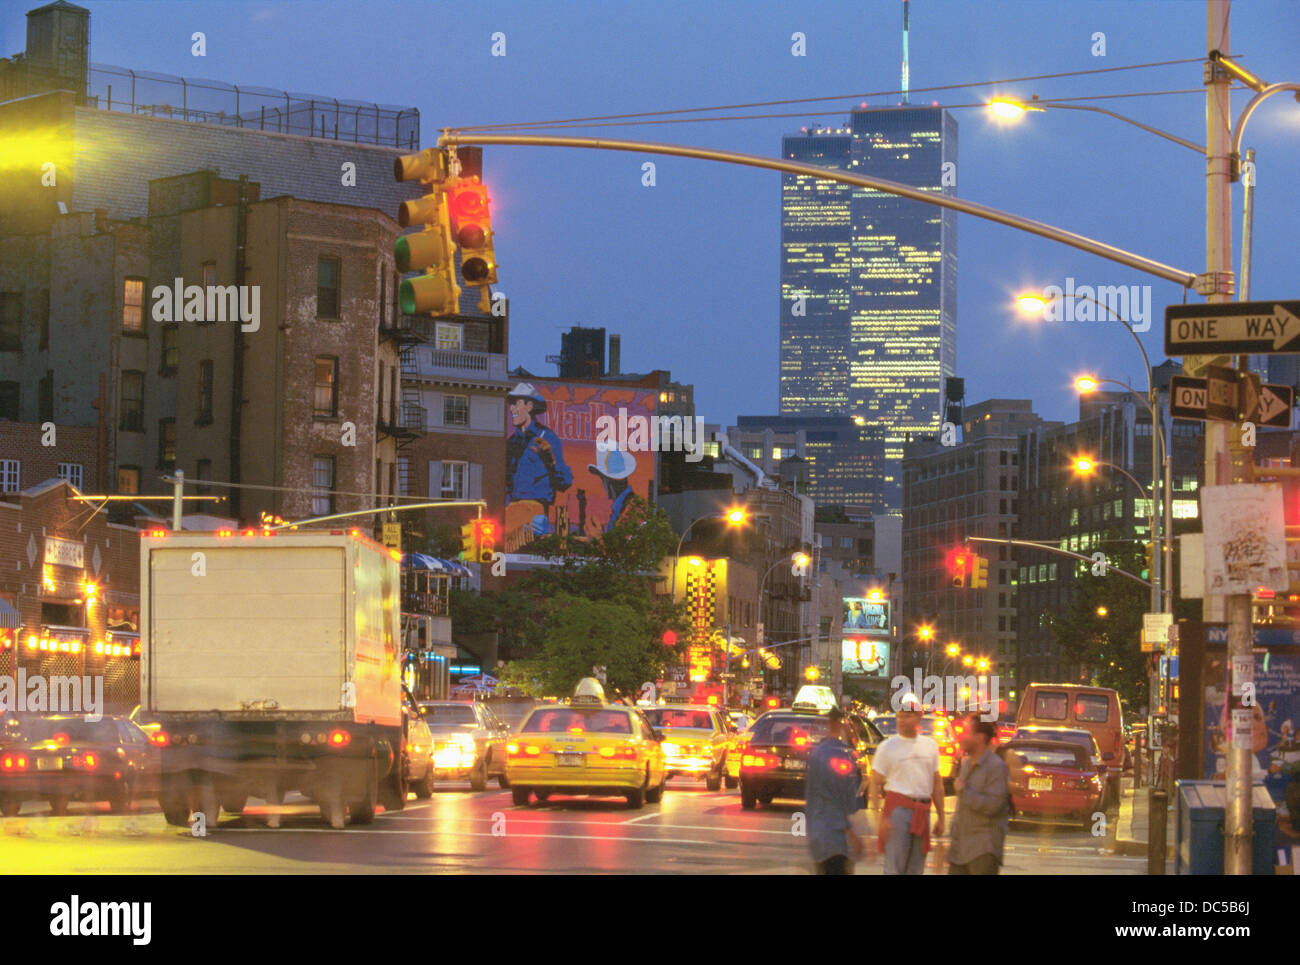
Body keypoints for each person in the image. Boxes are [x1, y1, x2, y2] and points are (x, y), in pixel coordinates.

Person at [869, 693, 944, 874]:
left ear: (919, 717)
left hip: (922, 811)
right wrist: (879, 818)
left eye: (908, 716)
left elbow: (937, 784)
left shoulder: (930, 745)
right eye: (899, 716)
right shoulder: (887, 747)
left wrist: (942, 817)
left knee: (916, 867)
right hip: (898, 812)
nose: (902, 720)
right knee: (895, 866)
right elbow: (874, 782)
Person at [947, 715, 1010, 875]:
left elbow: (993, 806)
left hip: (982, 850)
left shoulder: (996, 767)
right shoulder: (967, 763)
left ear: (980, 738)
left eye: (966, 732)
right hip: (960, 850)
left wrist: (964, 791)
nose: (961, 737)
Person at [805, 707, 865, 874]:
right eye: (847, 724)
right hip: (836, 838)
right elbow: (843, 799)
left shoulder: (817, 753)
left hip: (818, 833)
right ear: (839, 724)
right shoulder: (840, 754)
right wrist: (852, 833)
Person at [505, 382, 572, 526]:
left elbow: (565, 482)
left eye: (516, 403)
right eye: (510, 404)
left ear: (529, 406)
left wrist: (550, 459)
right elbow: (505, 482)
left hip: (537, 513)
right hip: (513, 514)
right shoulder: (511, 442)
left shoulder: (547, 437)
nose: (511, 409)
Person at [587, 444, 637, 532]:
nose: (602, 486)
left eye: (602, 480)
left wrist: (599, 540)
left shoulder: (629, 509)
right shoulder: (625, 506)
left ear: (607, 482)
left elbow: (621, 542)